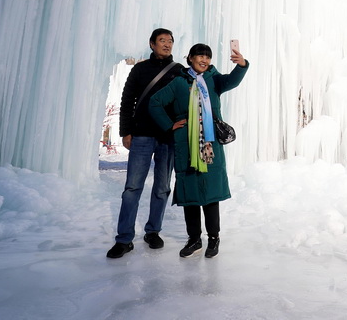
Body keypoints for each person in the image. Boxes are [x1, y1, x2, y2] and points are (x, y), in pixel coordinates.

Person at [149, 42, 248, 258]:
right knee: (190, 193)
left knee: (211, 193)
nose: (204, 60)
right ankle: (194, 239)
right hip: (187, 144)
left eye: (208, 57)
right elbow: (154, 102)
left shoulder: (214, 79)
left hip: (210, 143)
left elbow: (232, 80)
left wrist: (241, 65)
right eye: (200, 56)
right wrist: (169, 125)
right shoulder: (178, 83)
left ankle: (213, 238)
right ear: (191, 58)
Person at [106, 28, 182, 258]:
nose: (167, 44)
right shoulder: (140, 69)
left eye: (170, 41)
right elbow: (127, 100)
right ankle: (124, 239)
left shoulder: (178, 70)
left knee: (162, 188)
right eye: (162, 40)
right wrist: (125, 132)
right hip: (141, 135)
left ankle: (153, 231)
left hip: (167, 137)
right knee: (132, 187)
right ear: (152, 44)